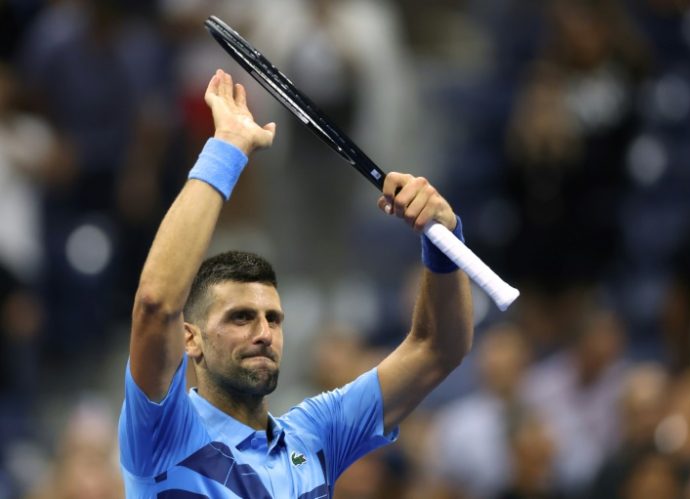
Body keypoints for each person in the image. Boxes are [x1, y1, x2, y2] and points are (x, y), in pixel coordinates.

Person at [117, 69, 473, 498]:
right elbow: (155, 305)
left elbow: (438, 348)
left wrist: (444, 238)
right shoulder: (162, 433)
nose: (264, 333)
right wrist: (226, 149)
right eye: (241, 317)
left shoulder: (316, 435)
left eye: (274, 318)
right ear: (191, 340)